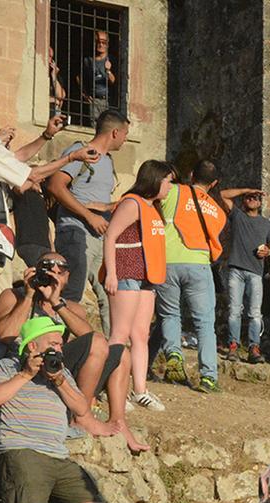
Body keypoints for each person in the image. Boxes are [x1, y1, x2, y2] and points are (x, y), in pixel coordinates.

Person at [0, 316, 133, 503]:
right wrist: (25, 375)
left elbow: (82, 409)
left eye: (60, 342)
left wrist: (59, 381)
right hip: (22, 451)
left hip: (58, 454)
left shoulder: (61, 372)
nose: (59, 348)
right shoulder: (7, 367)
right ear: (33, 346)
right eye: (53, 342)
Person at [0, 253, 142, 447]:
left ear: (67, 277)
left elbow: (93, 341)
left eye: (60, 271)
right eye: (48, 269)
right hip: (26, 362)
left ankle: (118, 420)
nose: (54, 275)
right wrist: (30, 295)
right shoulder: (14, 296)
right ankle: (82, 417)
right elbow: (5, 334)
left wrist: (56, 303)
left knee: (121, 353)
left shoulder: (71, 307)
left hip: (57, 364)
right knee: (97, 342)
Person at [96, 159, 172, 419]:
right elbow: (111, 236)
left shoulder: (153, 207)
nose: (171, 187)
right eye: (168, 181)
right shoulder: (132, 203)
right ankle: (108, 387)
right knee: (120, 333)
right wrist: (112, 274)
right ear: (155, 180)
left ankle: (140, 390)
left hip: (146, 278)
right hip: (127, 272)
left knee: (140, 334)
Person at [47, 109, 130, 332]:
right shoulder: (80, 151)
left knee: (110, 294)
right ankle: (55, 348)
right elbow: (55, 186)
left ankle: (115, 354)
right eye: (125, 134)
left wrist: (109, 208)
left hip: (98, 238)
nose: (125, 140)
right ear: (115, 132)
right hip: (76, 233)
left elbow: (91, 198)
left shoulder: (108, 162)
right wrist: (89, 216)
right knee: (72, 293)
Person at [157, 161, 230, 392]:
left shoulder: (175, 191)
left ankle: (174, 356)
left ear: (190, 174)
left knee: (170, 313)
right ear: (215, 183)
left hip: (168, 261)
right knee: (205, 324)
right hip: (199, 264)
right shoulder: (218, 211)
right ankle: (208, 377)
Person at [222, 190, 270, 363]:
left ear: (260, 203)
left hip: (255, 272)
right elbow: (223, 195)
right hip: (236, 269)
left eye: (256, 198)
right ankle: (233, 346)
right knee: (234, 311)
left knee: (255, 313)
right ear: (244, 200)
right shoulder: (237, 215)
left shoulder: (265, 223)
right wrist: (247, 189)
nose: (252, 199)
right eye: (249, 197)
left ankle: (254, 347)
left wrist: (268, 251)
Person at [78, 30, 116, 123]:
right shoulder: (88, 61)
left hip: (108, 100)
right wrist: (84, 93)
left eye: (104, 42)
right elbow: (79, 77)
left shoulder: (112, 59)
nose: (101, 44)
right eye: (98, 41)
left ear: (108, 44)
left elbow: (115, 82)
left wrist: (108, 71)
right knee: (95, 127)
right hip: (94, 100)